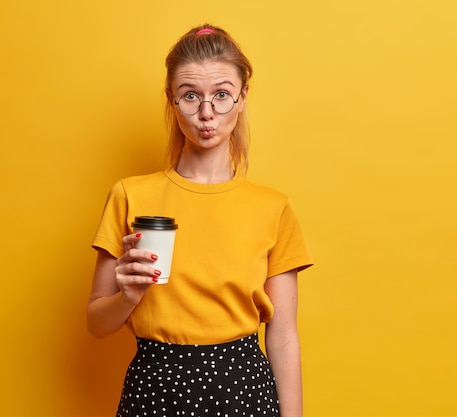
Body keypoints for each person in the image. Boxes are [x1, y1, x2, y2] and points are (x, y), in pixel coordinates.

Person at [87, 23, 313, 417]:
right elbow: (97, 323)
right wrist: (128, 296)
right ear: (172, 100)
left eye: (222, 95)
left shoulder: (272, 207)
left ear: (242, 97)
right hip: (155, 388)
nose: (206, 113)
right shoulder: (131, 196)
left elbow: (283, 337)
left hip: (244, 390)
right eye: (190, 96)